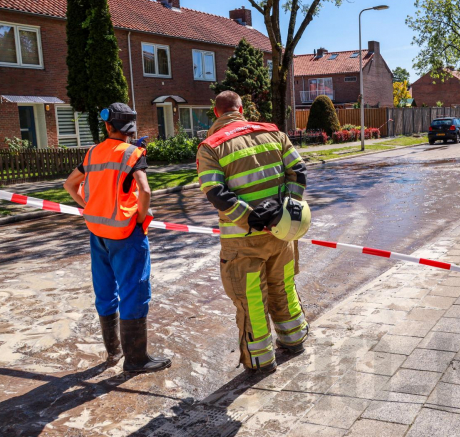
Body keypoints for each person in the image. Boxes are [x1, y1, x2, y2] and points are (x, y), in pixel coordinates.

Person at [196, 91, 309, 374]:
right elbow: (298, 170)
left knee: (252, 301)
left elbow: (216, 193)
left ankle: (260, 362)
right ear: (241, 109)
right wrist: (285, 208)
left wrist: (251, 219)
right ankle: (294, 340)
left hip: (242, 243)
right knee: (283, 288)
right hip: (281, 234)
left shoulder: (210, 147)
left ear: (217, 113)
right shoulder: (274, 133)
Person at [63, 103, 171, 373]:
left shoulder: (92, 152)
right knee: (134, 290)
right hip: (125, 234)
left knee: (105, 290)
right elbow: (144, 190)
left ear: (108, 126)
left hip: (97, 232)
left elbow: (69, 184)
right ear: (131, 129)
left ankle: (114, 352)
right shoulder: (132, 153)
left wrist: (87, 207)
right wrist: (139, 217)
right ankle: (135, 360)